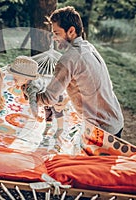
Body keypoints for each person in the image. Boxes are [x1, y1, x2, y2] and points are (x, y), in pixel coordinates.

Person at [36, 6, 124, 137]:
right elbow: (89, 82)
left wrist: (28, 90)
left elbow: (48, 99)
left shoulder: (69, 59)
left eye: (57, 33)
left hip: (101, 131)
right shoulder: (88, 47)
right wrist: (66, 100)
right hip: (115, 121)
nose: (53, 38)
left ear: (71, 31)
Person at [7, 55, 66, 138]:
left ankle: (60, 128)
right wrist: (19, 85)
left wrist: (36, 115)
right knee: (48, 111)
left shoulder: (32, 87)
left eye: (16, 79)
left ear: (26, 79)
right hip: (45, 93)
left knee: (57, 111)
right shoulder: (26, 82)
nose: (14, 80)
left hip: (55, 92)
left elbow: (33, 102)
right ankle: (48, 125)